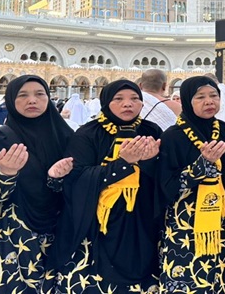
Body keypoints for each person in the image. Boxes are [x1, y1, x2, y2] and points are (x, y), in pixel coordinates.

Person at [0, 75, 74, 293]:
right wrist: (7, 174)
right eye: (22, 95)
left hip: (56, 233)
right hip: (7, 238)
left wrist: (57, 179)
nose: (32, 100)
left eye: (39, 94)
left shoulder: (66, 136)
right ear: (11, 100)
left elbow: (79, 188)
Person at [53, 80, 162, 293]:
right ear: (106, 102)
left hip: (141, 215)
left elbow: (163, 176)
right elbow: (77, 177)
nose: (127, 104)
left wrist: (151, 161)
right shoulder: (88, 133)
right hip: (99, 221)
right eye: (118, 99)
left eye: (134, 99)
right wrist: (123, 164)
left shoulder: (151, 130)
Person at [159, 76, 225, 293]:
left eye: (213, 96)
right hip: (186, 223)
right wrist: (202, 165)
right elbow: (167, 184)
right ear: (187, 101)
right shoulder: (173, 136)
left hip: (222, 217)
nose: (209, 101)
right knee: (190, 277)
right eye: (200, 97)